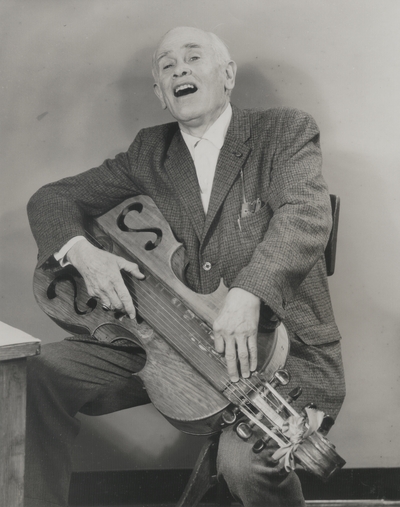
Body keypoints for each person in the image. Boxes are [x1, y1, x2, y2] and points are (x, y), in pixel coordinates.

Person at [26, 26, 345, 507]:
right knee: (31, 376)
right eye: (167, 65)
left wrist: (249, 292)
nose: (179, 68)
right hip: (165, 346)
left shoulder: (284, 132)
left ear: (228, 75)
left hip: (276, 353)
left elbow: (306, 217)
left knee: (245, 466)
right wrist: (82, 252)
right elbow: (51, 200)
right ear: (160, 93)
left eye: (194, 57)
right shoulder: (150, 152)